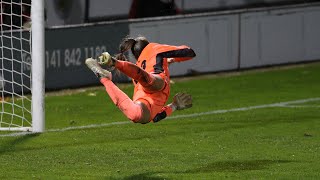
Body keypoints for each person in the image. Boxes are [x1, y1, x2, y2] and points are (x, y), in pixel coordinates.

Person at [85, 35, 196, 124]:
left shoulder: (138, 67)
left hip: (147, 99)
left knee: (135, 115)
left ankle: (105, 79)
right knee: (151, 81)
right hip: (156, 82)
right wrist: (174, 58)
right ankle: (114, 63)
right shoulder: (153, 48)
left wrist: (174, 106)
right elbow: (189, 52)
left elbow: (155, 117)